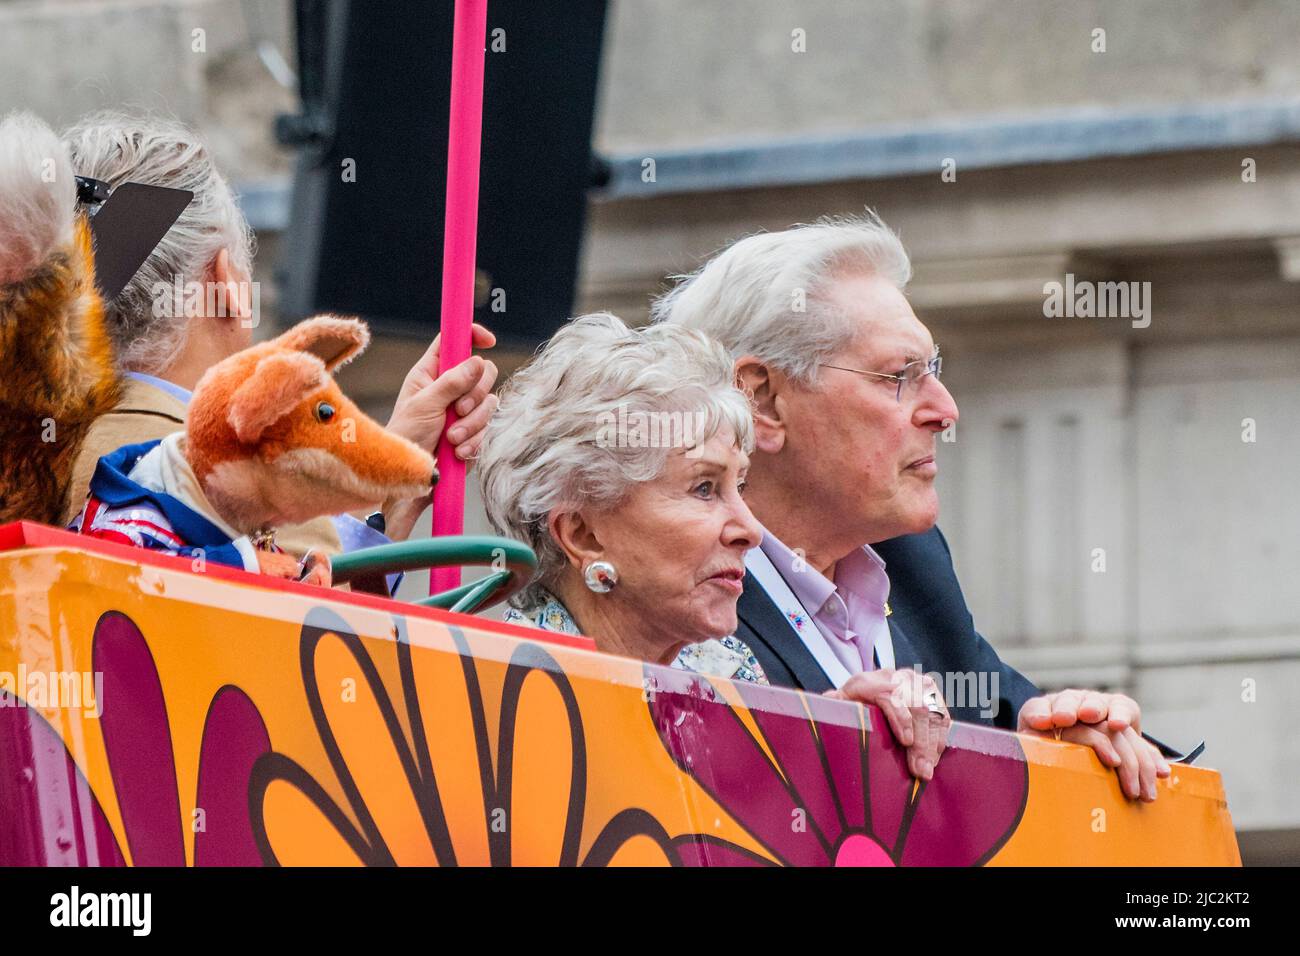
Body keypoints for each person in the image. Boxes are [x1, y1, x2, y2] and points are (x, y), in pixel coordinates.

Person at [655, 213, 1173, 802]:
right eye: (899, 375)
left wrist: (1059, 740)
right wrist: (823, 740)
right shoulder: (673, 577)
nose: (945, 410)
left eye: (933, 371)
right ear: (763, 400)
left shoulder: (911, 557)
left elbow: (1003, 720)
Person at [477, 311, 950, 782]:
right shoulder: (498, 710)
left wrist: (835, 745)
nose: (751, 530)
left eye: (739, 487)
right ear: (583, 534)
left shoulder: (737, 681)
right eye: (704, 488)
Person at [57, 110, 498, 554]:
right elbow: (328, 620)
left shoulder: (36, 456)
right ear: (226, 284)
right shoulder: (243, 474)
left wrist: (385, 490)